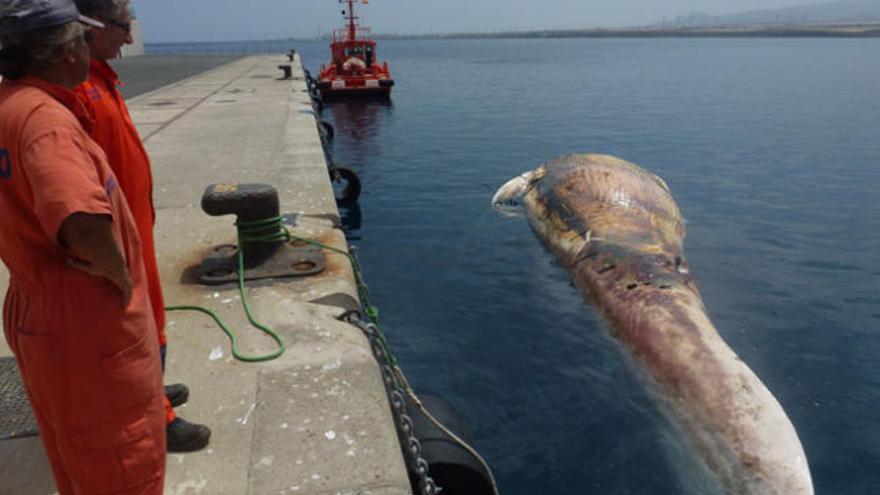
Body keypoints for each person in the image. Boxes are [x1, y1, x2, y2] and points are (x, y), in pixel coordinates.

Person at [0, 1, 165, 493]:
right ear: (59, 51)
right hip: (85, 320)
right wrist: (119, 279)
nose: (83, 50)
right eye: (78, 41)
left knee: (78, 457)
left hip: (40, 308)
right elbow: (81, 222)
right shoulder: (46, 123)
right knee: (122, 460)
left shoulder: (10, 105)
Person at [72, 0, 211, 452]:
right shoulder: (76, 91)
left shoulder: (101, 80)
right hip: (114, 240)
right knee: (131, 329)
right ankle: (153, 416)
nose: (130, 39)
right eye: (123, 27)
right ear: (90, 28)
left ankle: (149, 392)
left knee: (151, 322)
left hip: (135, 230)